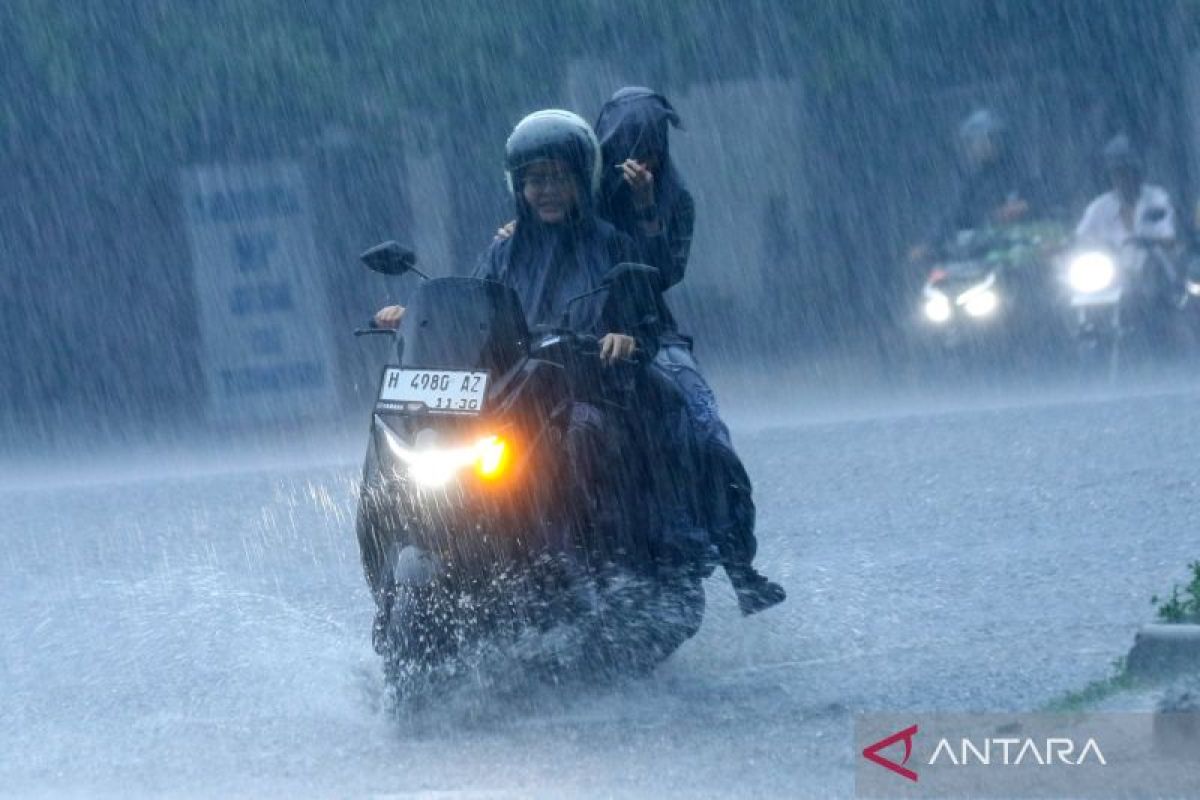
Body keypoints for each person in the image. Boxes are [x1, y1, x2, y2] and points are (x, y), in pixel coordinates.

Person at [374, 109, 705, 573]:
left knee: (582, 437)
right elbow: (474, 305)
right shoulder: (503, 251)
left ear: (581, 180)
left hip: (584, 392)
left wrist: (622, 337)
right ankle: (438, 542)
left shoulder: (611, 245)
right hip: (506, 397)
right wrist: (418, 317)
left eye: (558, 178)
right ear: (517, 187)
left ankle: (591, 558)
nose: (546, 191)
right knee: (429, 451)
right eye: (535, 180)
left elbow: (644, 315)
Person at [592, 86, 785, 616]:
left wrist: (646, 209)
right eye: (625, 149)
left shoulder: (674, 199)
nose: (636, 160)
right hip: (572, 331)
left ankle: (738, 564)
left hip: (649, 333)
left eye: (648, 150)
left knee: (704, 431)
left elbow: (663, 274)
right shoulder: (575, 190)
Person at [909, 108, 1037, 264]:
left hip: (1032, 257)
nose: (971, 148)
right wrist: (929, 244)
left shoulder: (1023, 170)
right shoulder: (977, 181)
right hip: (989, 259)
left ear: (991, 140)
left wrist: (1026, 206)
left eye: (973, 141)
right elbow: (956, 215)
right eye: (969, 143)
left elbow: (1049, 202)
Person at [1075, 134, 1176, 250]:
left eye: (1130, 171)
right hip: (1109, 267)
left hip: (1152, 267)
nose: (1125, 178)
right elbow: (1079, 238)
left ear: (1140, 173)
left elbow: (1169, 237)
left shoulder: (1157, 199)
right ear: (1110, 175)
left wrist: (1147, 242)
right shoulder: (1099, 207)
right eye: (1118, 172)